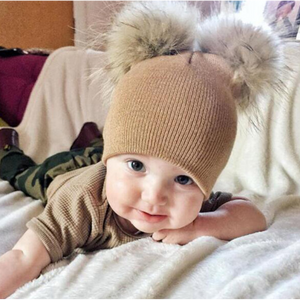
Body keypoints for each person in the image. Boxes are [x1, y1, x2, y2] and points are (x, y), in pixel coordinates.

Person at [0, 0, 284, 297]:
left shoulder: (194, 207)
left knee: (106, 152)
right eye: (137, 166)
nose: (154, 196)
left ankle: (99, 145)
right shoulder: (81, 204)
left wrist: (200, 225)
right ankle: (7, 148)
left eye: (183, 178)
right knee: (26, 174)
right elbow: (23, 258)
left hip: (108, 154)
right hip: (61, 176)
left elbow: (252, 216)